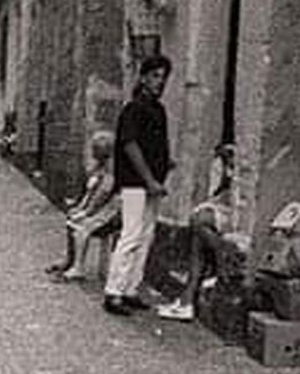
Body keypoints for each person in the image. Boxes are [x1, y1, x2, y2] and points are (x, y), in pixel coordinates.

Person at [103, 54, 174, 316]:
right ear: (143, 77)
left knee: (146, 236)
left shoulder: (158, 109)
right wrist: (149, 179)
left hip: (153, 183)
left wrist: (166, 162)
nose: (160, 82)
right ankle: (113, 291)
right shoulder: (133, 108)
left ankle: (130, 288)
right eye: (155, 76)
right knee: (131, 234)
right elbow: (130, 145)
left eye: (163, 77)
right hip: (135, 183)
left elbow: (152, 145)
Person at [156, 143, 241, 321]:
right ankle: (187, 301)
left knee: (198, 222)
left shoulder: (239, 165)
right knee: (197, 240)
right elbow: (218, 194)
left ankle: (221, 256)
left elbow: (236, 200)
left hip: (237, 216)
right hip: (225, 212)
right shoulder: (223, 162)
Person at [44, 131, 119, 282]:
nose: (92, 152)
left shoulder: (112, 169)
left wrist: (87, 212)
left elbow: (103, 195)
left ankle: (78, 268)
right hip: (97, 208)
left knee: (81, 227)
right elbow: (89, 192)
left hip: (109, 211)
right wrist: (80, 208)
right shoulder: (99, 167)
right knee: (71, 219)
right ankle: (70, 260)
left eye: (95, 149)